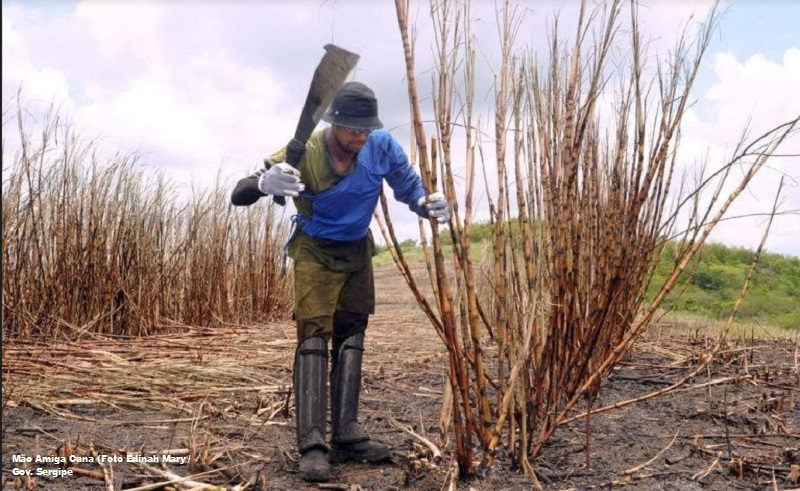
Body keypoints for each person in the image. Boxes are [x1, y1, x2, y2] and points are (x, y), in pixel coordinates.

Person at [231, 81, 450, 482]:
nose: (359, 138)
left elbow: (409, 188)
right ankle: (313, 444)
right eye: (352, 130)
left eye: (366, 130)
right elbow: (239, 192)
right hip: (314, 251)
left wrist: (427, 204)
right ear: (334, 123)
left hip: (356, 251)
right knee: (314, 339)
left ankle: (347, 434)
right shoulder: (306, 151)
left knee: (351, 335)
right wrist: (264, 183)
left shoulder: (380, 146)